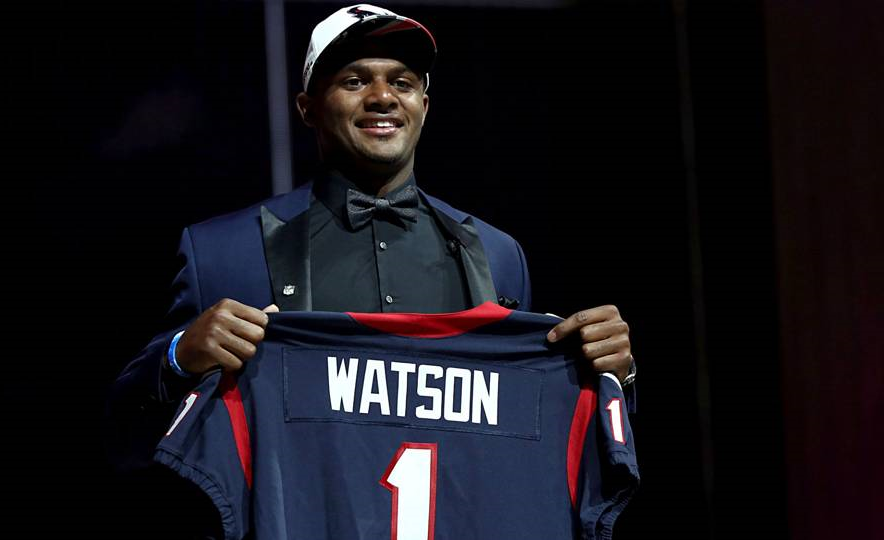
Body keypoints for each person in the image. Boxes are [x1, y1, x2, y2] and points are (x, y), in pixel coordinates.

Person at [108, 0, 635, 523]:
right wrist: (177, 358)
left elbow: (527, 432)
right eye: (355, 81)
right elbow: (123, 441)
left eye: (402, 83)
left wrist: (609, 377)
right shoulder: (223, 252)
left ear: (424, 105)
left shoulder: (499, 256)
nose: (382, 97)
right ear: (307, 107)